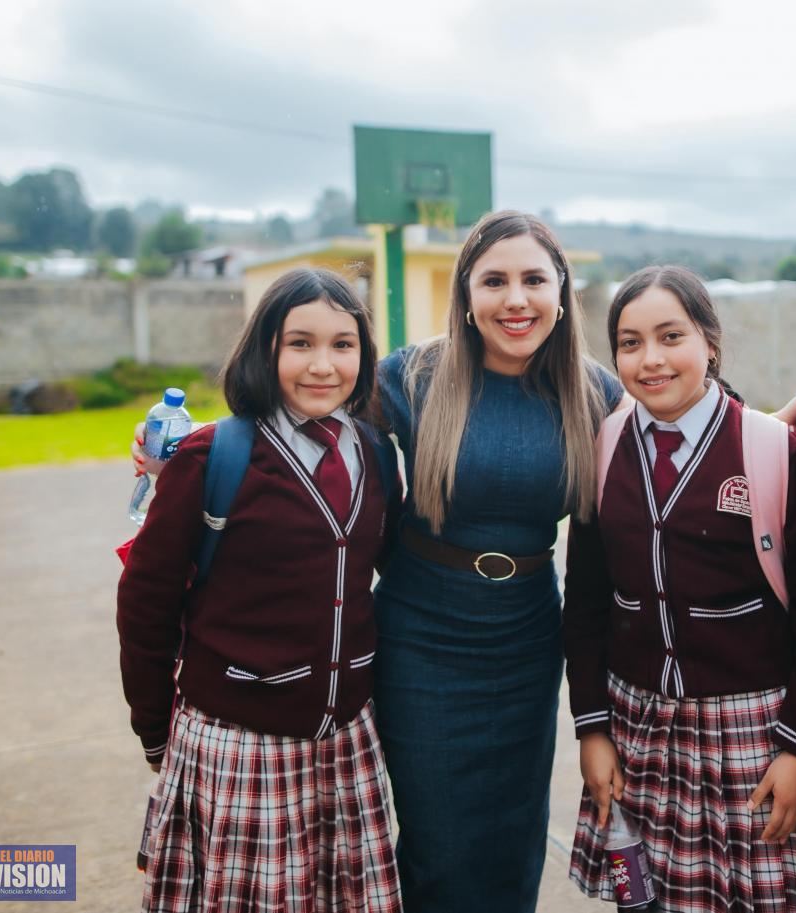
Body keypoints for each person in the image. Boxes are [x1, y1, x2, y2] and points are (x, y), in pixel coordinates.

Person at [116, 268, 403, 912]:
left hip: (346, 740)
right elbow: (146, 601)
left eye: (343, 344)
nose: (323, 365)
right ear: (263, 349)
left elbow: (365, 572)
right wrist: (153, 728)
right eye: (299, 343)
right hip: (238, 742)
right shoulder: (213, 456)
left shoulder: (377, 455)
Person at [562, 265, 796, 911]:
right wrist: (592, 728)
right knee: (651, 899)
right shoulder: (602, 450)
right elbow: (584, 606)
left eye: (670, 336)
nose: (651, 359)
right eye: (630, 343)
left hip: (756, 736)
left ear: (709, 341)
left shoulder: (769, 449)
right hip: (639, 732)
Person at [370, 210, 621, 912]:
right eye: (495, 281)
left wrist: (788, 427)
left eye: (534, 279)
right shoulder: (413, 374)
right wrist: (187, 445)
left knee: (515, 842)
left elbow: (689, 434)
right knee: (440, 844)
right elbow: (303, 417)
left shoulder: (595, 391)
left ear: (562, 290)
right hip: (423, 636)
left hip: (527, 640)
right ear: (467, 294)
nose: (517, 299)